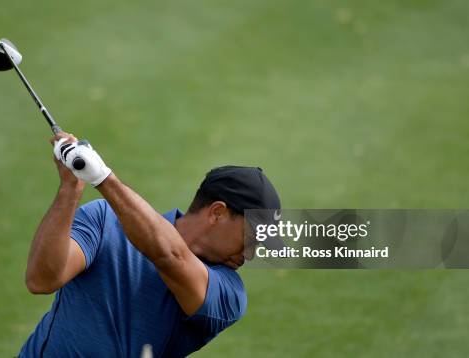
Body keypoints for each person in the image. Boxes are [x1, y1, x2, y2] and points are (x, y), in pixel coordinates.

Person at [18, 132, 280, 357]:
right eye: (252, 238)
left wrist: (102, 178)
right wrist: (70, 188)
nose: (251, 254)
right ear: (217, 213)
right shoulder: (104, 218)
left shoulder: (229, 294)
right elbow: (42, 280)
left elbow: (170, 257)